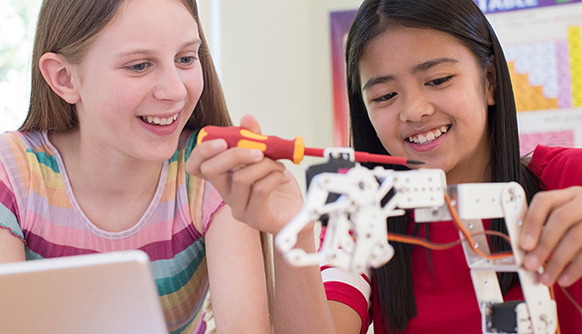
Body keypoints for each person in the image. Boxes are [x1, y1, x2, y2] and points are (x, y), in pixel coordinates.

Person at [188, 0, 582, 333]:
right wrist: (294, 228)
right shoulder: (361, 214)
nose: (415, 110)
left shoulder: (568, 179)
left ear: (491, 81)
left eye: (439, 79)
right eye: (385, 95)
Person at [0, 0, 271, 333]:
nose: (175, 91)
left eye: (186, 58)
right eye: (140, 65)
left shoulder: (211, 171)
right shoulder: (11, 174)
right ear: (64, 78)